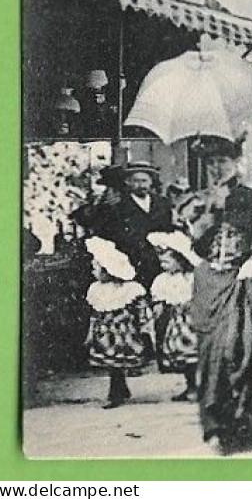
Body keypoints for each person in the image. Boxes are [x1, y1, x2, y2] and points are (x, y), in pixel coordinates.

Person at [179, 139, 252, 455]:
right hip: (209, 284)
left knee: (243, 349)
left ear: (236, 163)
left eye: (223, 161)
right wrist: (208, 210)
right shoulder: (198, 200)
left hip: (242, 280)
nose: (217, 168)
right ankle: (215, 427)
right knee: (213, 353)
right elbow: (198, 246)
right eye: (211, 163)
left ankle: (247, 424)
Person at [83, 235, 154, 410]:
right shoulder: (96, 289)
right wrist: (90, 332)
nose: (93, 271)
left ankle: (115, 392)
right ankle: (120, 388)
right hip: (105, 332)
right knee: (111, 362)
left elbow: (141, 307)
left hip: (122, 332)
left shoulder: (127, 289)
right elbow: (95, 313)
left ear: (108, 270)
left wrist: (143, 323)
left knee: (117, 360)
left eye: (97, 268)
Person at [98, 160, 174, 289]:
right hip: (132, 265)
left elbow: (169, 230)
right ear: (128, 182)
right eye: (136, 181)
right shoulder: (119, 207)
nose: (141, 185)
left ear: (151, 182)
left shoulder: (162, 204)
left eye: (144, 181)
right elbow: (111, 237)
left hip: (159, 263)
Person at [146, 231, 200, 402]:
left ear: (180, 261)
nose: (164, 266)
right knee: (181, 354)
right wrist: (159, 307)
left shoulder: (191, 278)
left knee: (195, 354)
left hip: (193, 321)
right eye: (161, 262)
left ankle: (199, 386)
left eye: (167, 262)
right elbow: (160, 298)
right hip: (177, 322)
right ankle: (190, 385)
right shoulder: (163, 280)